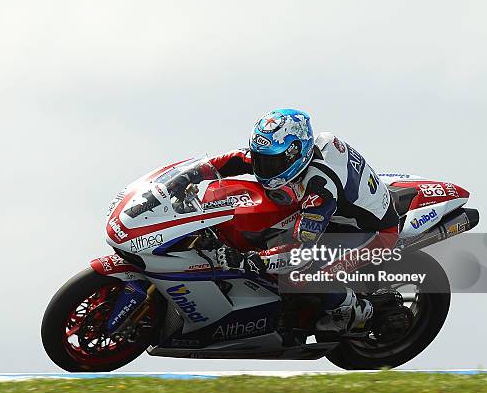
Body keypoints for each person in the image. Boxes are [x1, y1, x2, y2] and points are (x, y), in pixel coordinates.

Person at [168, 109, 399, 336]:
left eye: (271, 161)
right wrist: (189, 175)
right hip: (340, 210)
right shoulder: (290, 155)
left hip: (372, 233)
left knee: (304, 276)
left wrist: (251, 261)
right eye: (260, 158)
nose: (262, 167)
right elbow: (236, 159)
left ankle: (354, 311)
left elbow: (300, 253)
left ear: (295, 153)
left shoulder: (319, 187)